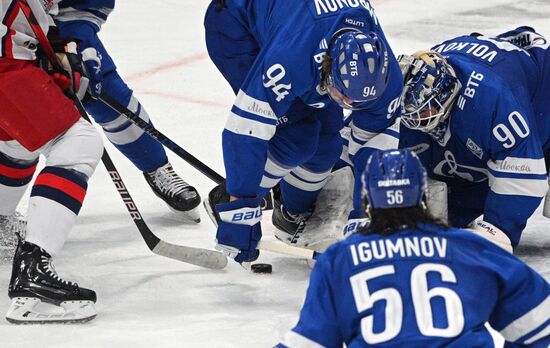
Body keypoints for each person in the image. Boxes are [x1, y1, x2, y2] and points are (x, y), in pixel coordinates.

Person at [278, 149, 550, 347]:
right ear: (422, 196)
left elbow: (309, 342)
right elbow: (539, 318)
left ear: (366, 200)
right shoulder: (469, 247)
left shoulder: (340, 259)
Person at [204, 0, 403, 264]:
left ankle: (292, 213)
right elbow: (246, 130)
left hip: (297, 24)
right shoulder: (290, 59)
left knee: (327, 148)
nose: (349, 106)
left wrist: (366, 214)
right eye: (343, 96)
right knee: (297, 140)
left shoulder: (386, 80)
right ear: (328, 63)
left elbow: (373, 146)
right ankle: (225, 197)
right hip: (237, 25)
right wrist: (240, 208)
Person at [398, 27, 550, 252]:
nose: (414, 117)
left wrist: (497, 229)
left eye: (423, 108)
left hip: (541, 86)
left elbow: (526, 177)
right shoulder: (408, 88)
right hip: (486, 60)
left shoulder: (490, 98)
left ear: (446, 92)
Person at [0, 0, 103, 323]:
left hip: (14, 59)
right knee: (78, 142)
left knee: (20, 142)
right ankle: (33, 277)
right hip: (5, 65)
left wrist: (54, 48)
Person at [53, 0, 202, 221]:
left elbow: (88, 6)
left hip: (54, 24)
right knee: (21, 119)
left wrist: (76, 34)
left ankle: (156, 167)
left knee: (107, 93)